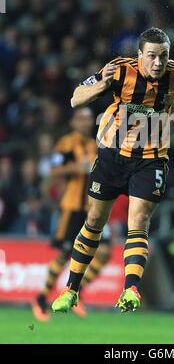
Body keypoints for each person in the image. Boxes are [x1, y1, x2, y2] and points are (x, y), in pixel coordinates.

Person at [51, 27, 174, 313]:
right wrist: (101, 86)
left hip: (151, 158)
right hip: (112, 155)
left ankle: (130, 289)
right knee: (95, 221)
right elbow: (75, 99)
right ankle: (71, 289)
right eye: (152, 56)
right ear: (140, 55)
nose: (158, 63)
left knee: (140, 220)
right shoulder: (118, 71)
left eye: (163, 56)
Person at [32, 107, 111, 321]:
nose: (85, 123)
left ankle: (74, 292)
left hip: (93, 208)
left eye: (87, 119)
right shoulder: (66, 144)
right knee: (65, 254)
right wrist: (78, 167)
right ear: (73, 123)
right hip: (72, 207)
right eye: (80, 119)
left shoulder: (95, 144)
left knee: (103, 252)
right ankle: (41, 299)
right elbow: (54, 170)